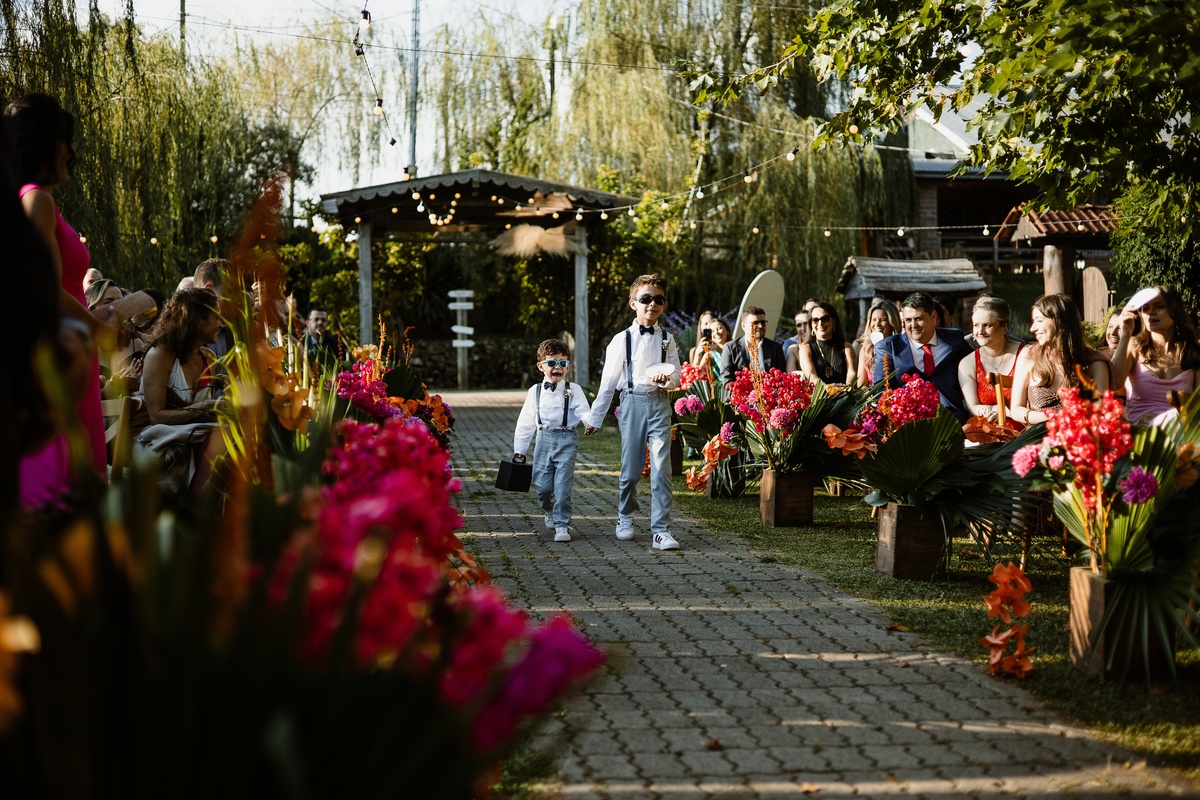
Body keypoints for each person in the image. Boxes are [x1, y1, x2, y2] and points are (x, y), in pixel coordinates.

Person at [7, 93, 114, 506]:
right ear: (48, 143)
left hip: (73, 351)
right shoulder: (37, 199)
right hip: (66, 353)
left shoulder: (34, 199)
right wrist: (105, 332)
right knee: (72, 483)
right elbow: (48, 289)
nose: (71, 151)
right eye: (66, 140)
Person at [585, 274, 682, 551]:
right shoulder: (621, 340)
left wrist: (667, 381)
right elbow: (607, 383)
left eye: (659, 299)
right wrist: (595, 418)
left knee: (662, 468)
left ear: (664, 304)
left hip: (659, 402)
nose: (652, 304)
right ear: (633, 303)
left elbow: (676, 376)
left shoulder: (667, 339)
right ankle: (625, 515)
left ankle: (661, 530)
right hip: (632, 402)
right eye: (646, 299)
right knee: (631, 468)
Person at [134, 288, 223, 491]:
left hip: (197, 438)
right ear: (198, 320)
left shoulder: (208, 358)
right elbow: (156, 416)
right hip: (161, 442)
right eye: (216, 318)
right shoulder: (160, 355)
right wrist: (203, 407)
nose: (220, 324)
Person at [512, 339, 593, 543]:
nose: (557, 367)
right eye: (552, 363)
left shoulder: (574, 389)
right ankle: (548, 509)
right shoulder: (535, 391)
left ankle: (562, 525)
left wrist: (588, 422)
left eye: (562, 363)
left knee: (563, 487)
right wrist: (520, 449)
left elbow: (583, 410)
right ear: (541, 366)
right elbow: (526, 421)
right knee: (543, 487)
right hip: (544, 439)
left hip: (567, 439)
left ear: (568, 367)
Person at [1010, 293, 1112, 425]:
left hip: (1078, 434)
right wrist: (1054, 418)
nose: (1032, 328)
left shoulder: (1094, 363)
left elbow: (1100, 412)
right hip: (1037, 434)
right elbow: (1016, 410)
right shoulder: (1028, 356)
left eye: (1039, 321)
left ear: (1060, 322)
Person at [873, 291, 973, 420]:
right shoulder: (889, 347)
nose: (913, 325)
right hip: (908, 421)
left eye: (919, 319)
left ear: (933, 316)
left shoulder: (955, 340)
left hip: (952, 418)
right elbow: (879, 391)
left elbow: (977, 364)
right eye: (908, 320)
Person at [1111, 286, 1199, 427]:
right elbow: (1113, 383)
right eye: (1145, 308)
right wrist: (1125, 334)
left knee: (1175, 417)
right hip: (1141, 431)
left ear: (1175, 311)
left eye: (1159, 306)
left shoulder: (1192, 352)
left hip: (1180, 430)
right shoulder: (1134, 347)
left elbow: (1197, 404)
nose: (1151, 312)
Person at [957, 296, 1025, 423]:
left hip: (1025, 427)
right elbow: (973, 407)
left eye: (987, 325)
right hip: (988, 427)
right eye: (976, 325)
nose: (980, 331)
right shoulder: (968, 363)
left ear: (1004, 326)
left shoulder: (1025, 354)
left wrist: (1007, 412)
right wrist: (995, 410)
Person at [720, 306, 788, 387]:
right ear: (743, 326)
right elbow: (727, 380)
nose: (760, 326)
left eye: (763, 323)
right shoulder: (730, 348)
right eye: (755, 323)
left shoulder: (775, 348)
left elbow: (782, 378)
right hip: (742, 393)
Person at [790, 302, 856, 384]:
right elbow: (812, 376)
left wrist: (846, 388)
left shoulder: (847, 348)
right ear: (811, 324)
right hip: (818, 392)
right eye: (815, 320)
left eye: (825, 319)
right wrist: (828, 388)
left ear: (834, 321)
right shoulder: (805, 349)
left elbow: (851, 373)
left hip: (844, 391)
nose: (820, 324)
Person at [856, 299, 900, 385]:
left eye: (883, 320)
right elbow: (861, 385)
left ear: (892, 322)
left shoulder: (901, 347)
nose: (877, 324)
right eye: (874, 319)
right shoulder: (866, 350)